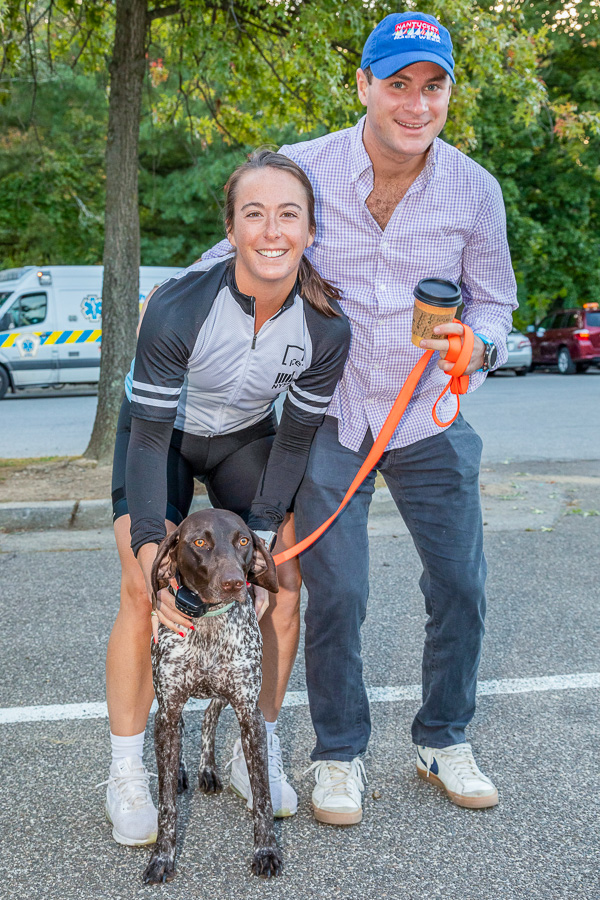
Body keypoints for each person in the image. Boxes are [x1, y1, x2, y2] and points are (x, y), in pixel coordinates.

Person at [203, 13, 518, 824]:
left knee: (461, 586)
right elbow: (240, 252)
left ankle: (442, 738)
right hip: (330, 416)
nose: (417, 104)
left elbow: (496, 304)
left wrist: (477, 346)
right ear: (364, 85)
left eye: (434, 86)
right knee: (337, 594)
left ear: (449, 92)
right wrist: (175, 308)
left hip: (427, 417)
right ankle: (338, 754)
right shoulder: (302, 168)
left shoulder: (474, 189)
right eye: (399, 84)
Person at [102, 150, 351, 846]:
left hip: (244, 439)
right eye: (254, 214)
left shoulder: (326, 328)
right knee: (140, 589)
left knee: (284, 584)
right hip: (162, 438)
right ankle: (126, 772)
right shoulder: (179, 304)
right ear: (232, 229)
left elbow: (293, 443)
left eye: (288, 215)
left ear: (310, 230)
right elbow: (149, 439)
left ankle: (253, 747)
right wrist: (154, 557)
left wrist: (261, 540)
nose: (272, 231)